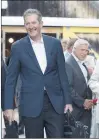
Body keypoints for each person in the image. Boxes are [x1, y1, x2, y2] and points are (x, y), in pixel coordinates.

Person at [3, 8, 72, 138]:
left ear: (41, 23)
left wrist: (68, 101)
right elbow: (10, 79)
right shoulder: (17, 47)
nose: (31, 26)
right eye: (27, 23)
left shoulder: (55, 44)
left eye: (34, 22)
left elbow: (62, 75)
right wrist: (8, 107)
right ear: (24, 26)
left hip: (55, 103)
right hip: (30, 104)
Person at [65, 39, 93, 138]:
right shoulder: (68, 63)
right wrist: (82, 102)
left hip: (85, 110)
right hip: (75, 110)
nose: (84, 53)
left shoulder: (83, 64)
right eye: (82, 50)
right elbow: (67, 87)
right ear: (74, 49)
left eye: (86, 50)